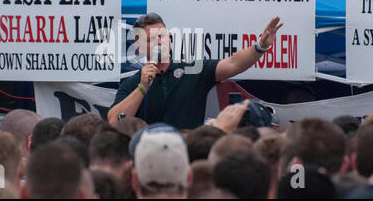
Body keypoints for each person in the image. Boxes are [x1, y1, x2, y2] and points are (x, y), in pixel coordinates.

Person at [108, 12, 282, 129]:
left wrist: (260, 47)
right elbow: (115, 121)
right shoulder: (132, 84)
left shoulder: (192, 70)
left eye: (162, 36)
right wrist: (142, 87)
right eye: (151, 39)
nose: (159, 42)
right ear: (138, 47)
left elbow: (233, 64)